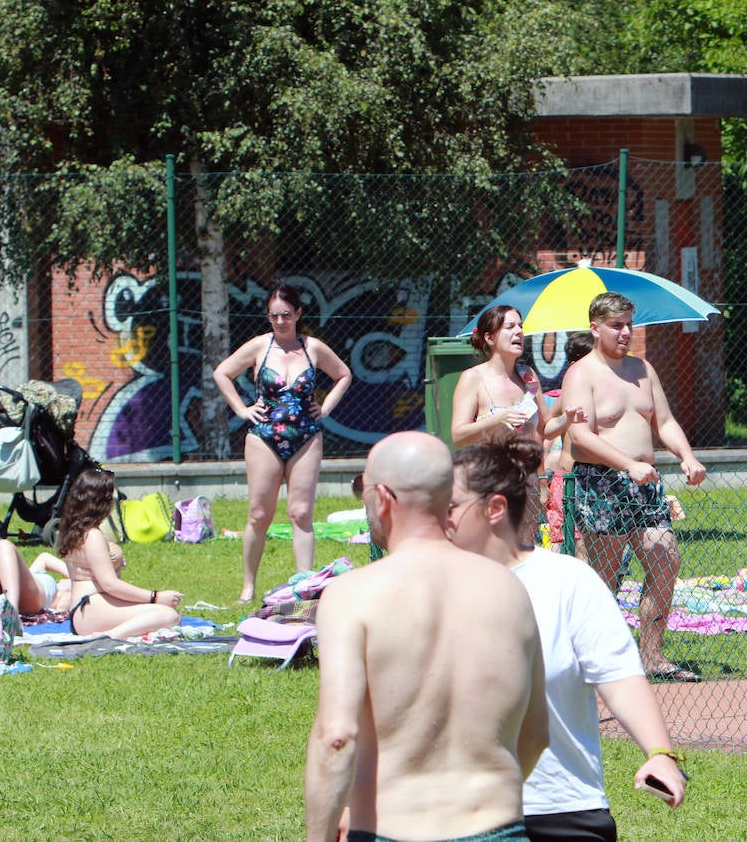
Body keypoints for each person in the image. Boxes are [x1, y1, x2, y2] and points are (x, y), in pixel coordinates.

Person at [305, 431, 548, 842]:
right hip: (495, 826)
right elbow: (538, 731)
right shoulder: (509, 590)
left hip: (391, 828)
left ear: (382, 497)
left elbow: (336, 737)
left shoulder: (351, 595)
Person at [450, 431, 688, 842]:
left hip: (560, 807)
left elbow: (618, 675)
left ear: (494, 508)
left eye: (450, 506)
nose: (439, 516)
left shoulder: (567, 581)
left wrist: (659, 753)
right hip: (455, 812)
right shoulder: (430, 584)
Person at [560, 292, 707, 683]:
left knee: (666, 560)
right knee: (603, 578)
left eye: (630, 324)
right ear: (595, 327)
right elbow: (580, 436)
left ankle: (652, 656)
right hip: (602, 482)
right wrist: (627, 465)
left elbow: (666, 421)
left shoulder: (643, 369)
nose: (626, 332)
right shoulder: (581, 374)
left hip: (646, 484)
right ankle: (595, 658)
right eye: (617, 325)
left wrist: (686, 456)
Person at [212, 281, 352, 604]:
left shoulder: (312, 348)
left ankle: (306, 584)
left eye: (286, 315)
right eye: (274, 315)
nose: (279, 321)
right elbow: (222, 373)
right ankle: (248, 587)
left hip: (305, 435)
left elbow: (343, 374)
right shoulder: (259, 347)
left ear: (298, 313)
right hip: (264, 436)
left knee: (301, 513)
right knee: (260, 513)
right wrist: (242, 409)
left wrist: (325, 407)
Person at [57, 468, 184, 639]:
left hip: (88, 608)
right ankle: (109, 636)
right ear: (102, 501)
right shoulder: (92, 535)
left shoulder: (76, 529)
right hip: (90, 607)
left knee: (169, 614)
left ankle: (111, 634)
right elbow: (110, 584)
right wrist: (155, 597)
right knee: (168, 615)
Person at [452, 304, 550, 446]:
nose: (519, 332)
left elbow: (546, 428)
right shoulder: (473, 377)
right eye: (510, 327)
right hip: (492, 466)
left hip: (527, 466)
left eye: (520, 326)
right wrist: (499, 419)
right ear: (490, 338)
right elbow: (458, 437)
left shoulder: (528, 375)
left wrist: (567, 418)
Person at [542, 331, 594, 549]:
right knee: (565, 540)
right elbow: (547, 428)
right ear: (575, 365)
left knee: (594, 548)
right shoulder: (567, 396)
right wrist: (543, 472)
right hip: (568, 478)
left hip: (598, 479)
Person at [0, 530, 71, 615]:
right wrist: (72, 575)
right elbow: (44, 558)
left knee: (4, 546)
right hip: (13, 587)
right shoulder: (32, 575)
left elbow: (63, 606)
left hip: (37, 598)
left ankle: (12, 610)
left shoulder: (71, 592)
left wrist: (74, 582)